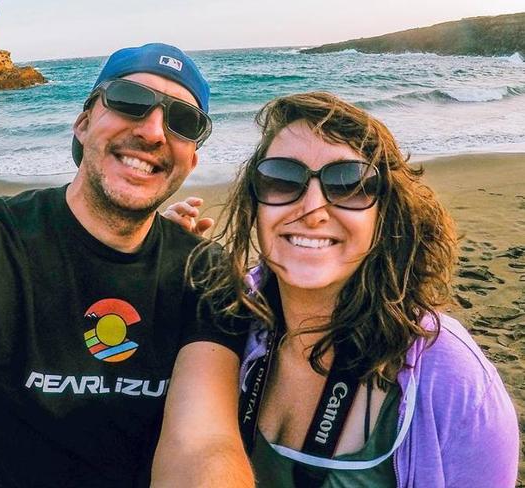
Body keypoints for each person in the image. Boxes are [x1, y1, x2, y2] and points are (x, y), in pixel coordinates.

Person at [0, 43, 253, 487]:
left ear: (192, 159)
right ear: (83, 122)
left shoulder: (205, 275)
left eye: (184, 122)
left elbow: (204, 443)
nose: (153, 131)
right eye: (130, 101)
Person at [165, 91, 519, 487]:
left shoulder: (452, 378)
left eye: (349, 183)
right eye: (282, 179)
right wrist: (162, 258)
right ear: (256, 203)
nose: (312, 209)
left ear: (384, 214)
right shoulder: (228, 318)